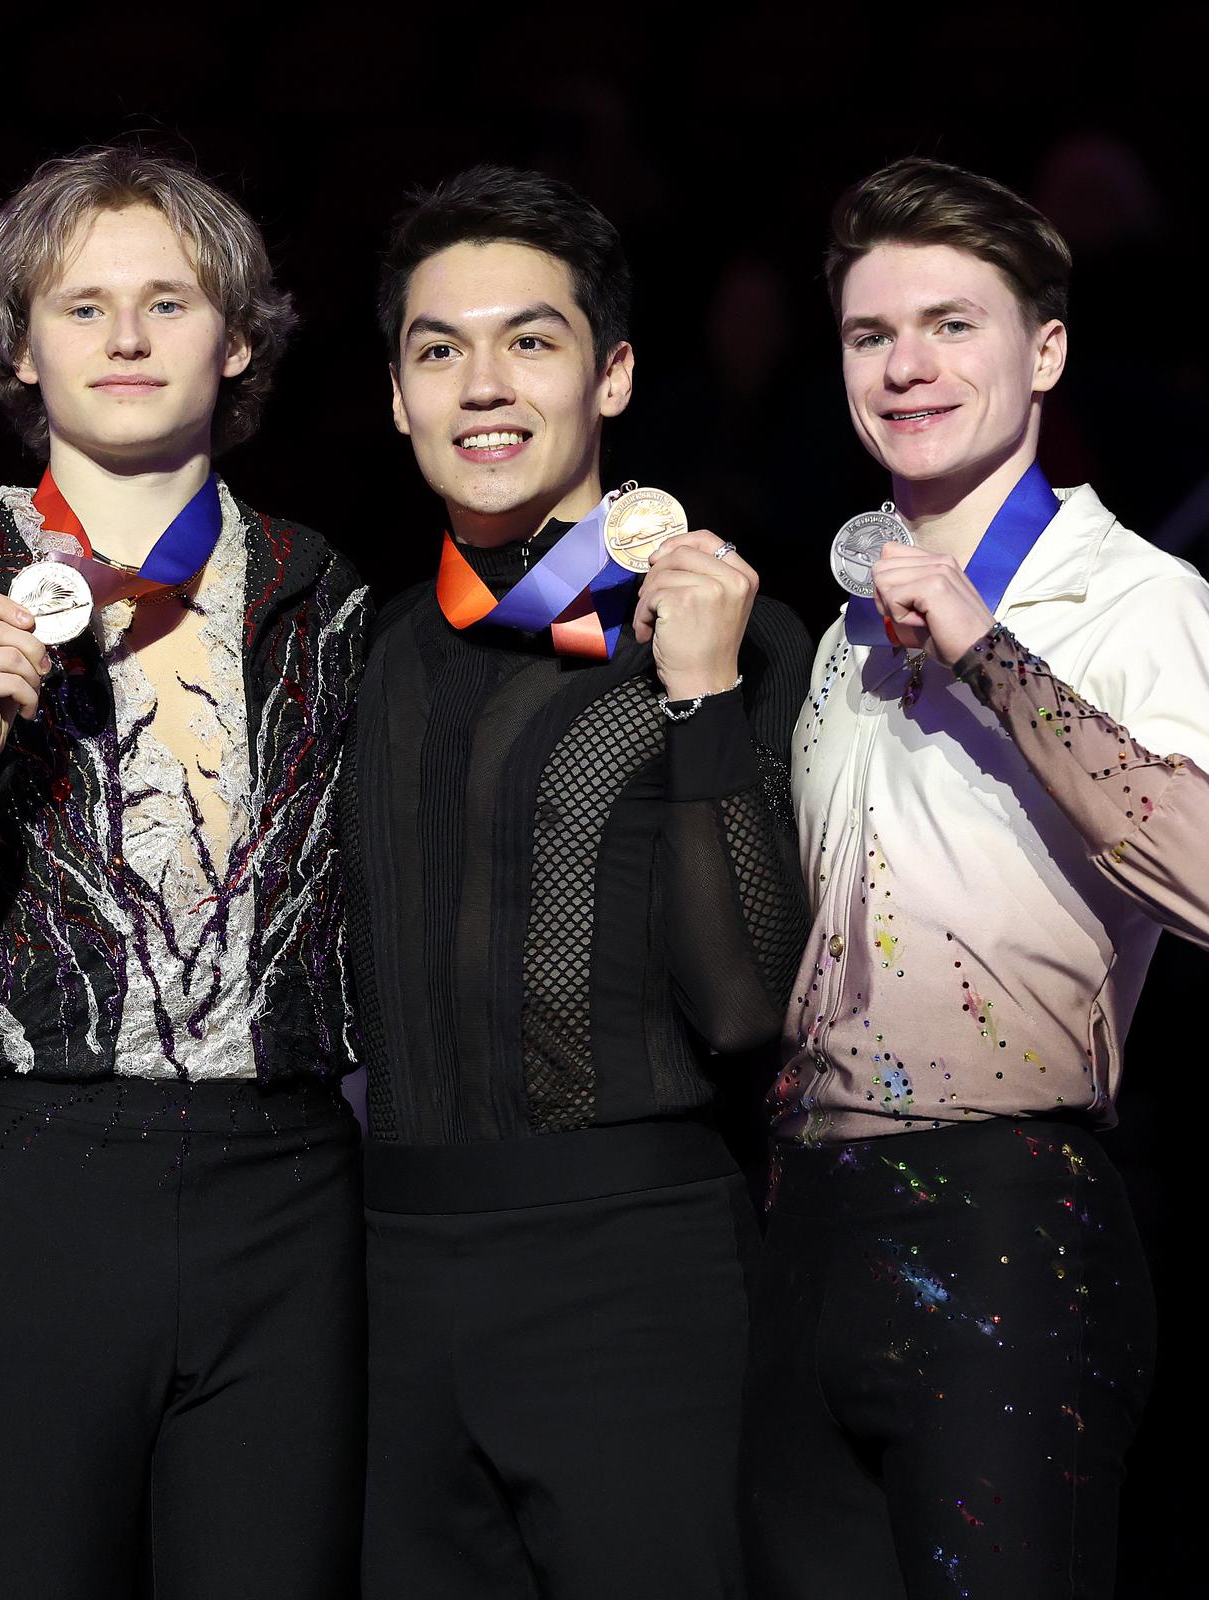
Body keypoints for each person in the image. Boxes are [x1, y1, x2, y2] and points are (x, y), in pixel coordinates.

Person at [744, 156, 1209, 1600]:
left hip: (1004, 1218)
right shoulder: (846, 636)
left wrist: (992, 654)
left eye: (952, 325)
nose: (908, 366)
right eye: (873, 336)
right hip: (808, 1217)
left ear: (1044, 350)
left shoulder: (1132, 600)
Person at [0, 145, 369, 1600]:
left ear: (240, 334)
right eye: (82, 307)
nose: (126, 340)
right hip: (40, 1184)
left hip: (293, 1192)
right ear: (19, 345)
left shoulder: (329, 600)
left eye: (168, 301)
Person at [345, 163, 811, 1599]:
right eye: (441, 349)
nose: (483, 385)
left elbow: (745, 1004)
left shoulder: (725, 627)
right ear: (398, 396)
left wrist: (704, 694)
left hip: (642, 1277)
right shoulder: (359, 650)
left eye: (530, 341)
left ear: (610, 377)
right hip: (388, 1288)